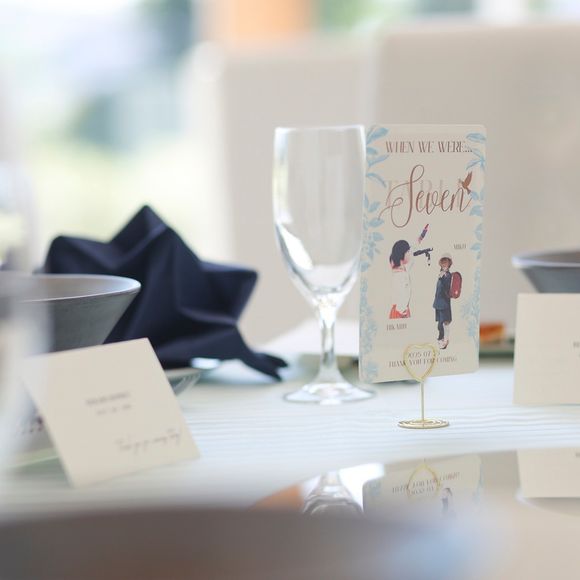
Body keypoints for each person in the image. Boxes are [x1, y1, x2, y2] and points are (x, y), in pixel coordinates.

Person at [389, 240, 412, 319]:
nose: (410, 253)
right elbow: (402, 294)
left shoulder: (402, 270)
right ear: (401, 253)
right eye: (408, 251)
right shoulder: (400, 275)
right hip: (400, 311)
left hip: (402, 309)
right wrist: (403, 311)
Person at [433, 254, 453, 348]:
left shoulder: (448, 276)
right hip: (438, 303)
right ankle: (441, 338)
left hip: (444, 303)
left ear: (449, 264)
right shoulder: (441, 274)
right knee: (440, 323)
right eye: (443, 262)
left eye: (446, 262)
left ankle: (445, 340)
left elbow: (447, 288)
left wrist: (443, 278)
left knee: (445, 322)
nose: (444, 264)